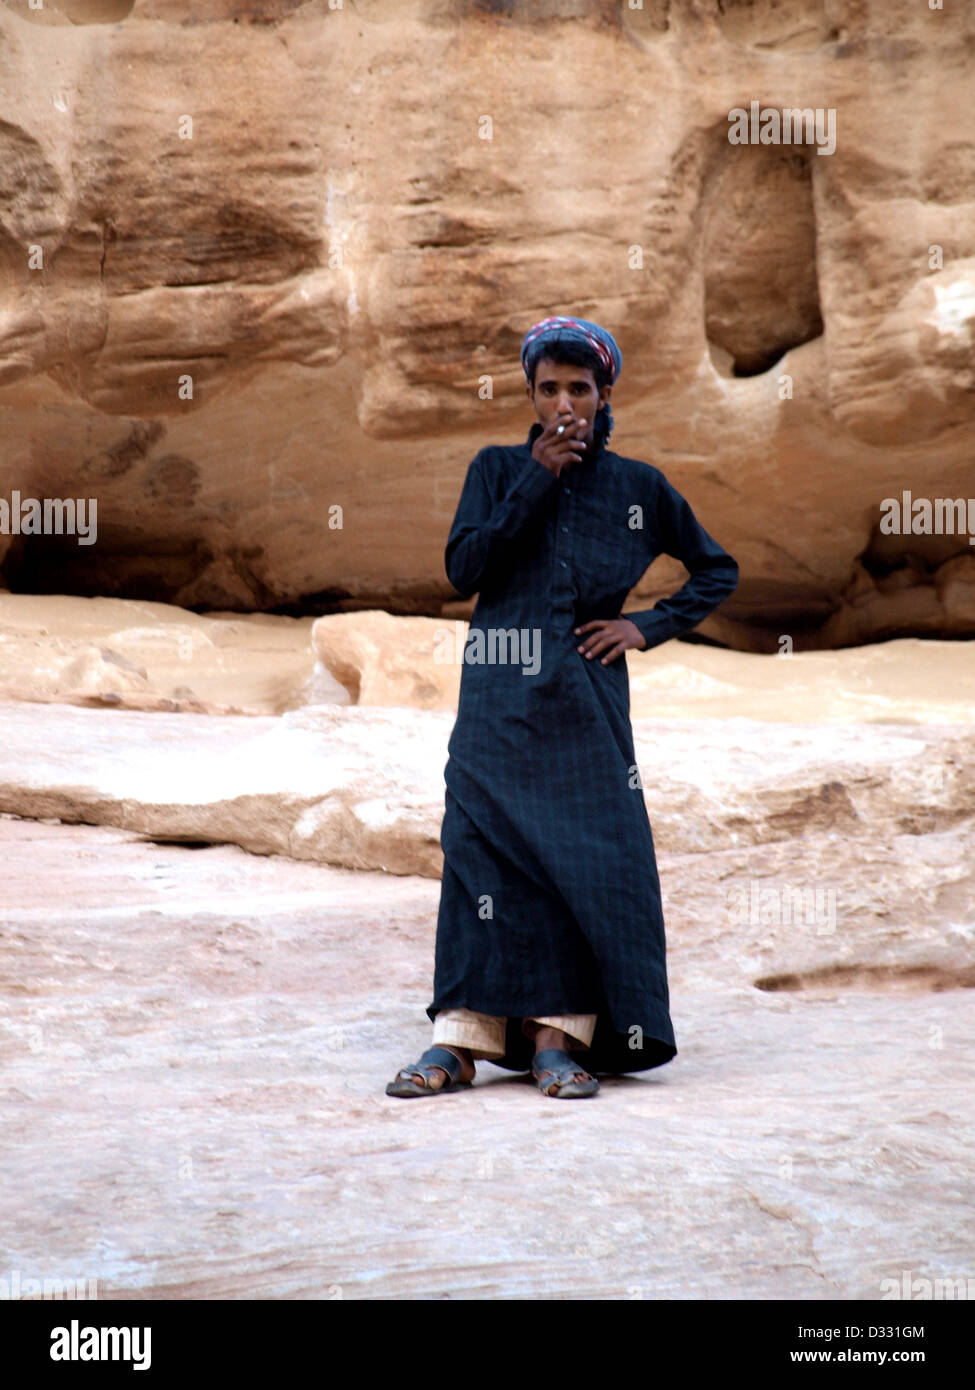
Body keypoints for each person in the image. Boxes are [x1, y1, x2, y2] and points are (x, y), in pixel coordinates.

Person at [386, 315, 739, 1100]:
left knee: (580, 866)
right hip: (495, 700)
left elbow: (716, 570)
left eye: (579, 389)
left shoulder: (638, 487)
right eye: (548, 390)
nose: (564, 405)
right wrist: (533, 480)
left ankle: (557, 1040)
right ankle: (460, 1041)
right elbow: (462, 568)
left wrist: (642, 627)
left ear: (604, 393)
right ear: (532, 395)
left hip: (583, 704)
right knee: (478, 855)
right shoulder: (496, 468)